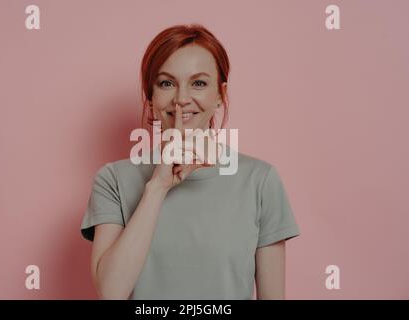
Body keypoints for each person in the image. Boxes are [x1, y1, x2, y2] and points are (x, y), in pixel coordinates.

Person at [80, 24, 301, 300]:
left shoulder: (260, 180)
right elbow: (111, 292)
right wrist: (157, 187)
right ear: (151, 97)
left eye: (198, 83)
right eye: (166, 83)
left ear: (220, 95)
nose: (182, 99)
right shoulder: (113, 180)